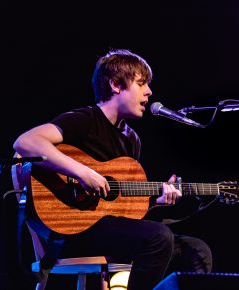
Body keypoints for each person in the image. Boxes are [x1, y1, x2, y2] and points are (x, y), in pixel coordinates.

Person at [13, 48, 212, 290]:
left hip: (109, 231)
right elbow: (26, 143)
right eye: (141, 83)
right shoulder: (84, 120)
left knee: (196, 250)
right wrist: (83, 172)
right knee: (158, 238)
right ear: (116, 85)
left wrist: (156, 201)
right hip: (70, 232)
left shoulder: (132, 139)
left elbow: (119, 206)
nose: (149, 92)